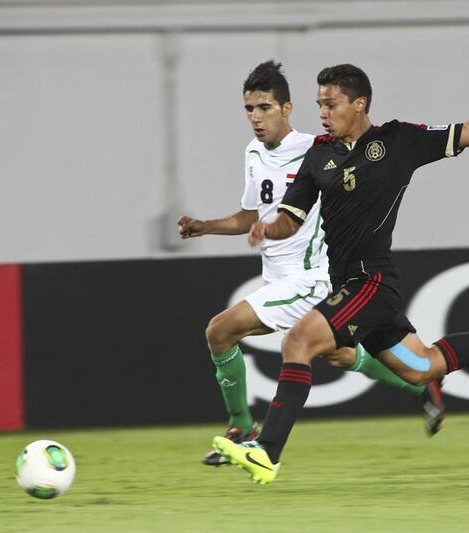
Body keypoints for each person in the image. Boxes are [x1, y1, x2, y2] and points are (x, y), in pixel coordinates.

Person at [213, 37, 469, 484]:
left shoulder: (398, 141)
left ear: (359, 104)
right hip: (346, 283)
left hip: (371, 281)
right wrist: (268, 228)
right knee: (422, 368)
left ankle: (267, 451)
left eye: (331, 103)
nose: (322, 112)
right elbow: (291, 219)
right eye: (319, 103)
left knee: (298, 344)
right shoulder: (318, 155)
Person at [177, 61, 444, 467]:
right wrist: (206, 226)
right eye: (249, 109)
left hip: (314, 275)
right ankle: (422, 385)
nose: (255, 117)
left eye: (264, 107)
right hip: (278, 277)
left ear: (287, 108)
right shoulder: (253, 153)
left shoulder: (316, 149)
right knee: (339, 354)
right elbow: (253, 214)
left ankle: (241, 429)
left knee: (220, 330)